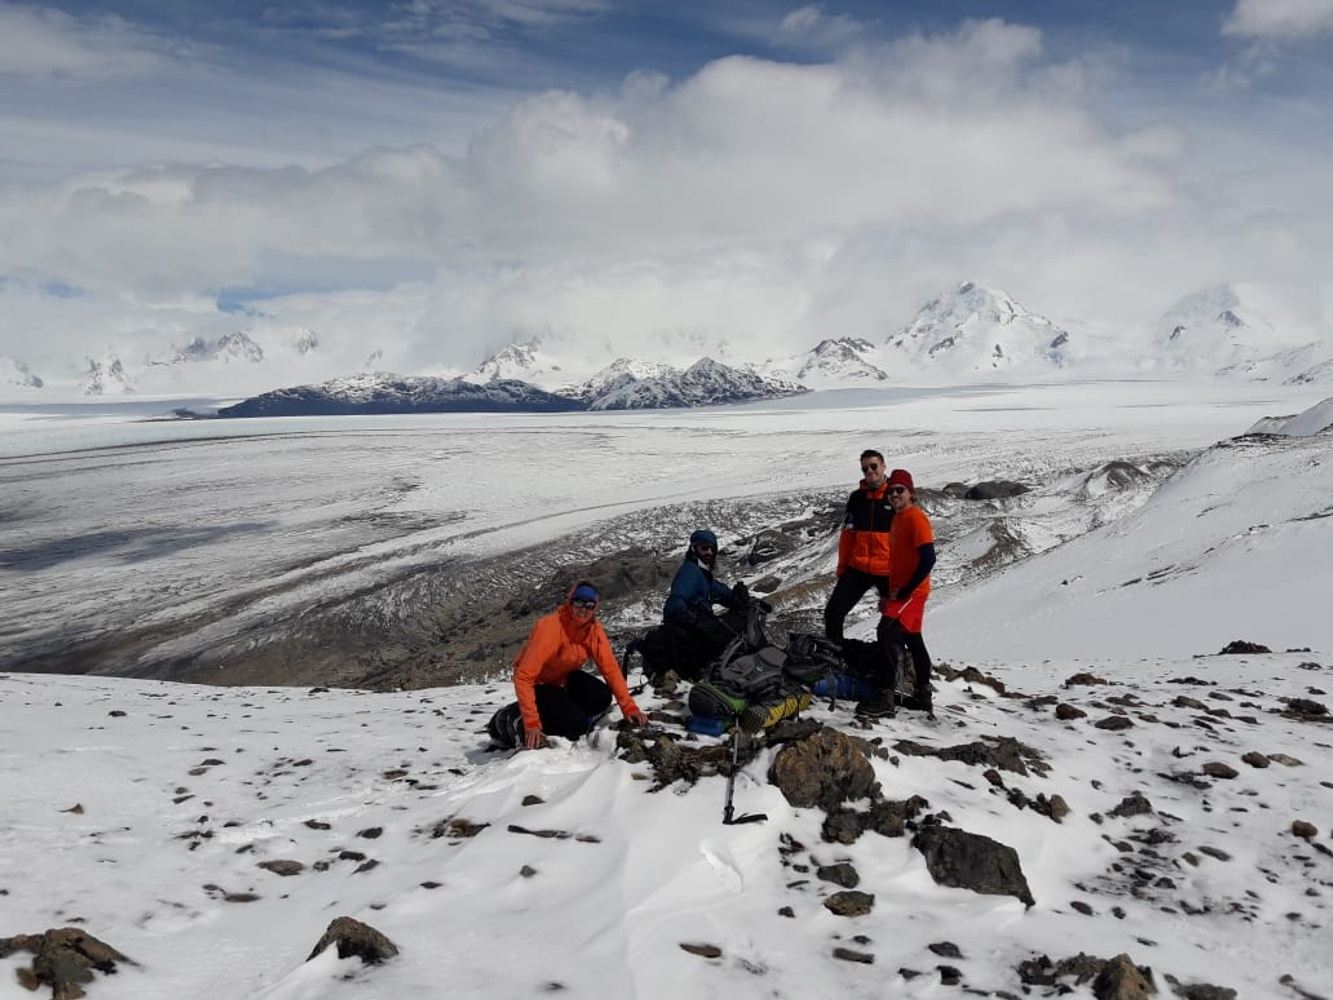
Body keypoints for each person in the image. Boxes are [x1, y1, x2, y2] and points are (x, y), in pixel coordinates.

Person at [488, 581, 648, 750]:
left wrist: (629, 708)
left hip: (563, 681)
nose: (583, 609)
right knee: (575, 726)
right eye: (578, 602)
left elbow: (610, 669)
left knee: (602, 698)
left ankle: (562, 710)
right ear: (570, 602)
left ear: (595, 608)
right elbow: (523, 676)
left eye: (589, 605)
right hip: (538, 685)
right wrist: (531, 723)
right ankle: (510, 716)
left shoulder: (593, 631)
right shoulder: (550, 627)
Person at [860, 468, 937, 718]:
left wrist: (905, 591)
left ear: (910, 492)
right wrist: (891, 593)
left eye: (899, 490)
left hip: (910, 593)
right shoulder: (898, 519)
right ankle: (923, 696)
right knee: (913, 640)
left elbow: (928, 558)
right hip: (905, 592)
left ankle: (885, 696)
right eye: (891, 490)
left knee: (886, 634)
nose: (894, 494)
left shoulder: (916, 518)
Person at [824, 449, 893, 643]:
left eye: (874, 466)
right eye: (865, 468)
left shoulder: (895, 495)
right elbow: (847, 536)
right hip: (858, 567)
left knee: (894, 620)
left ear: (883, 466)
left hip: (888, 570)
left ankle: (890, 661)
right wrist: (842, 568)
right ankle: (835, 655)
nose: (869, 471)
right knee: (833, 613)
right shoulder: (856, 498)